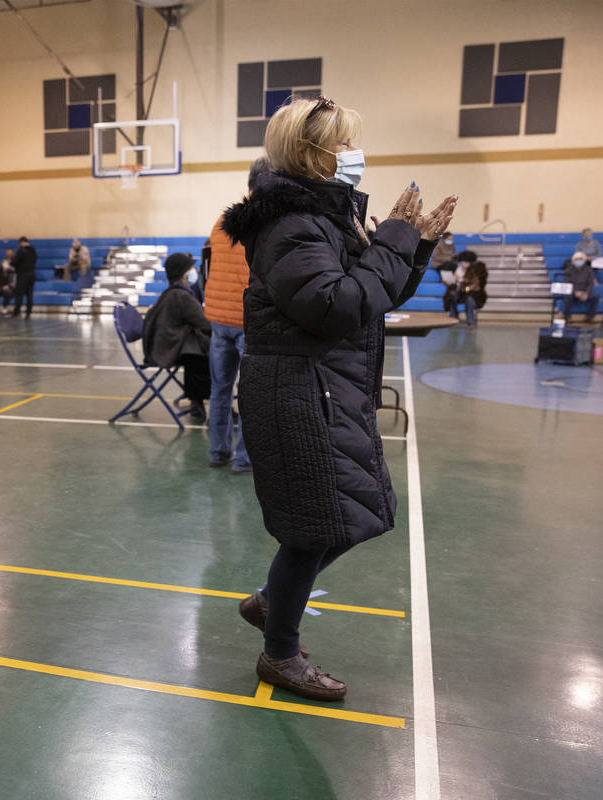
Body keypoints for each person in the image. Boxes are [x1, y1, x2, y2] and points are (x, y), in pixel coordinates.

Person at [221, 96, 456, 701]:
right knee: (314, 529)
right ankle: (279, 653)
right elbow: (336, 304)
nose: (354, 154)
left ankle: (274, 602)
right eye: (344, 143)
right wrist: (395, 239)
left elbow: (374, 293)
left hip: (326, 387)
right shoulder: (289, 223)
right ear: (311, 154)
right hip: (299, 391)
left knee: (356, 515)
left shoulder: (325, 215)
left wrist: (415, 246)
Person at [203, 157, 269, 473]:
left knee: (220, 390)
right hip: (246, 320)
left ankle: (219, 453)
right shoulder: (267, 222)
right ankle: (244, 459)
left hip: (217, 320)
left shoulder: (222, 220)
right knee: (250, 395)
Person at [141, 253, 212, 424]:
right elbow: (205, 323)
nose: (194, 270)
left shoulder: (173, 293)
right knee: (209, 351)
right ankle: (214, 406)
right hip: (169, 350)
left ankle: (197, 403)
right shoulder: (182, 296)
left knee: (197, 349)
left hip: (166, 346)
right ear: (183, 274)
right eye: (190, 268)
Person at [561, 252, 599, 322]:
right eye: (577, 259)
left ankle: (590, 317)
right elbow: (566, 283)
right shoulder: (568, 270)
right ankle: (567, 316)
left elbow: (591, 283)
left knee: (595, 297)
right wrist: (575, 292)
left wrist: (586, 293)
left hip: (585, 291)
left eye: (581, 259)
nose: (579, 261)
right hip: (573, 291)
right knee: (567, 296)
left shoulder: (589, 270)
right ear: (573, 260)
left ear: (584, 260)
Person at [448, 259, 487, 327]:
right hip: (462, 293)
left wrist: (465, 286)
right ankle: (453, 317)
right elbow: (454, 281)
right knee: (452, 295)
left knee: (470, 300)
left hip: (473, 295)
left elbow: (475, 285)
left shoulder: (475, 273)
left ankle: (470, 321)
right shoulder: (459, 270)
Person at [11, 236, 38, 318]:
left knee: (19, 294)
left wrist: (12, 262)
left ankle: (17, 312)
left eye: (20, 243)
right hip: (32, 275)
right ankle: (28, 313)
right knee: (30, 294)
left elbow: (15, 262)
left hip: (22, 275)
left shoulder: (21, 250)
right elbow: (35, 260)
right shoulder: (33, 250)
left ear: (22, 242)